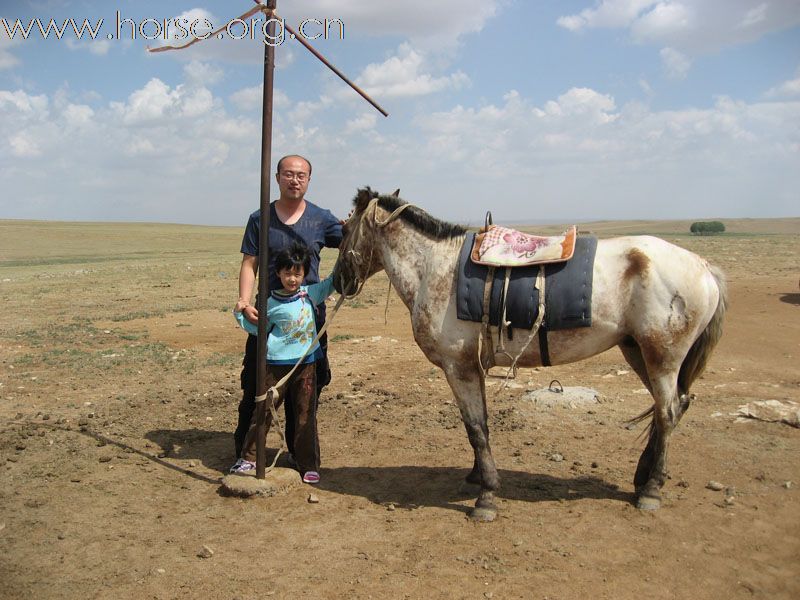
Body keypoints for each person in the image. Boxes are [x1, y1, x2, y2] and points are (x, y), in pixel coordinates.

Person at [233, 154, 342, 462]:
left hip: (309, 323)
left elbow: (349, 241)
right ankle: (246, 454)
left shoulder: (322, 219)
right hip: (267, 317)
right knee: (257, 387)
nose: (295, 180)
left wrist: (355, 225)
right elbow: (249, 263)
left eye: (302, 175)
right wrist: (243, 301)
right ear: (277, 177)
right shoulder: (260, 219)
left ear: (309, 180)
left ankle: (301, 456)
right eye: (289, 174)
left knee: (307, 393)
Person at [231, 243, 334, 483]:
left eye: (297, 273)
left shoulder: (311, 294)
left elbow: (333, 282)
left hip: (305, 366)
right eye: (287, 273)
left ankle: (308, 464)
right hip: (275, 367)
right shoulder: (271, 303)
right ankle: (250, 458)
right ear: (278, 273)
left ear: (304, 274)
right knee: (264, 412)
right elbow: (257, 328)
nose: (292, 278)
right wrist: (239, 312)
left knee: (304, 415)